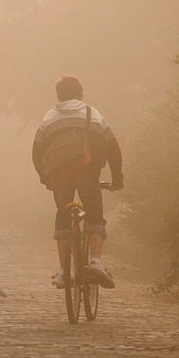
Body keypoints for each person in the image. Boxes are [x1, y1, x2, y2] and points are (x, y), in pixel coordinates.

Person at [32, 75, 123, 289]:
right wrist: (117, 178)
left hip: (60, 177)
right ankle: (96, 263)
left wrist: (46, 178)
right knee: (95, 217)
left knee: (63, 220)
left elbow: (36, 151)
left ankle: (64, 273)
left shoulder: (48, 117)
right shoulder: (92, 113)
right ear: (81, 95)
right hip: (87, 172)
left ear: (58, 96)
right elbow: (112, 146)